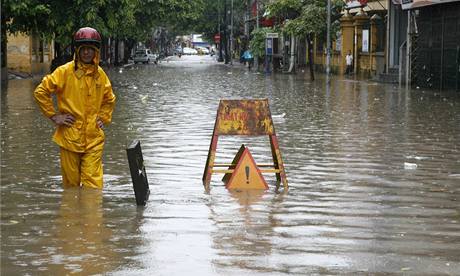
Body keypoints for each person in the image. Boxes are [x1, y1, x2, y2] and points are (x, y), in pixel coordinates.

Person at [34, 27, 116, 189]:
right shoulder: (64, 72)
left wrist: (103, 118)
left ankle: (92, 214)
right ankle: (72, 214)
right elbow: (41, 91)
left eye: (90, 49)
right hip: (69, 137)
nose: (86, 53)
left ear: (96, 52)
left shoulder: (100, 75)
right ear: (77, 50)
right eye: (83, 49)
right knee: (71, 186)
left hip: (94, 138)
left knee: (93, 186)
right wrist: (54, 116)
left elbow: (110, 98)